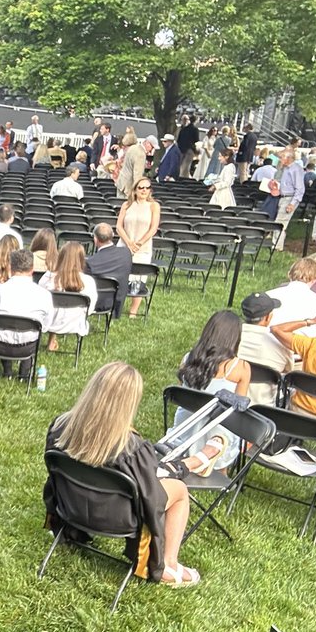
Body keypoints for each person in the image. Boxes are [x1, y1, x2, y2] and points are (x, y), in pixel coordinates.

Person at [45, 362, 200, 586]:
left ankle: (70, 533)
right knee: (179, 491)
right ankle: (168, 564)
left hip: (71, 506)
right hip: (119, 518)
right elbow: (151, 499)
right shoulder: (132, 448)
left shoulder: (60, 426)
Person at [173, 310, 251, 472]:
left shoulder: (188, 358)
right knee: (230, 424)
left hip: (184, 430)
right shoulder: (240, 368)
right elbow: (238, 408)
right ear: (235, 337)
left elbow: (182, 392)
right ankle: (219, 467)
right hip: (217, 433)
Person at [0, 249, 52, 377]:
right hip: (27, 347)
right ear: (32, 269)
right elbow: (45, 326)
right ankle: (24, 373)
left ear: (10, 267)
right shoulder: (44, 295)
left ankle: (8, 369)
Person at [237, 292, 294, 404]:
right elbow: (288, 371)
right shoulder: (280, 344)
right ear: (268, 317)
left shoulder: (227, 337)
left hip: (227, 404)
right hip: (263, 409)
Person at [41, 241, 97, 352]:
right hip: (75, 323)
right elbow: (89, 310)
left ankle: (52, 340)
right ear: (81, 259)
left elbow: (39, 302)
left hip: (48, 322)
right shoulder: (88, 281)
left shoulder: (48, 277)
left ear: (61, 256)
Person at [116, 178, 160, 317]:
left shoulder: (154, 206)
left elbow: (153, 228)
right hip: (124, 245)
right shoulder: (126, 205)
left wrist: (139, 243)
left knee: (139, 279)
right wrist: (129, 242)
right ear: (135, 189)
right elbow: (119, 226)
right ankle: (117, 307)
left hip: (143, 248)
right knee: (121, 277)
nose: (144, 190)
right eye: (141, 188)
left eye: (147, 188)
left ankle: (133, 312)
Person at [85, 223, 132, 319]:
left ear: (95, 239)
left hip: (97, 303)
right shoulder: (126, 253)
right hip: (117, 302)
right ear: (113, 236)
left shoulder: (91, 262)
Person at [114, 133, 147, 200]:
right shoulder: (139, 152)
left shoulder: (129, 151)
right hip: (128, 186)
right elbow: (137, 174)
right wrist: (138, 190)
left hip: (121, 183)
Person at [176, 114, 200, 179]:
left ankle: (177, 177)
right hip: (190, 149)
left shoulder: (183, 129)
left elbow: (178, 140)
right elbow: (196, 140)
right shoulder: (195, 129)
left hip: (181, 149)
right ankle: (183, 179)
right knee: (186, 166)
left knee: (180, 165)